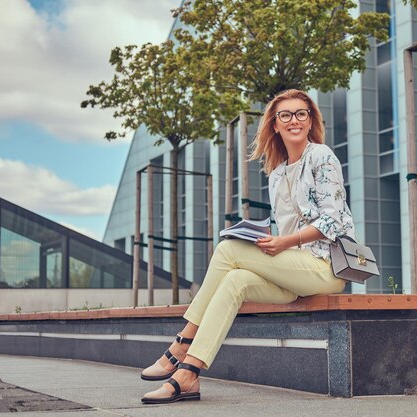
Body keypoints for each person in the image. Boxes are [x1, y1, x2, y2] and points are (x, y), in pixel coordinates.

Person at [140, 89, 356, 404]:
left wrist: (285, 242)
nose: (293, 120)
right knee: (235, 279)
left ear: (310, 122)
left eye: (301, 114)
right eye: (285, 115)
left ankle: (182, 342)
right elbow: (285, 223)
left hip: (325, 267)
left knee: (227, 250)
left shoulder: (321, 156)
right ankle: (189, 375)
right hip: (290, 270)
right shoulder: (277, 173)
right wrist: (264, 237)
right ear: (275, 125)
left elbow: (332, 221)